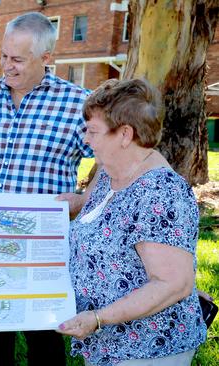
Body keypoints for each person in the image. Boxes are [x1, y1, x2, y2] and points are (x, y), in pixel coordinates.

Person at [0, 12, 93, 365]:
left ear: (46, 59)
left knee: (44, 336)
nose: (6, 67)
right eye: (3, 57)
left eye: (17, 59)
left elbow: (109, 156)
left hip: (42, 241)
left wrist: (85, 196)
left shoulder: (79, 103)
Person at [57, 78, 207, 365]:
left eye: (93, 131)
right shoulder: (109, 174)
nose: (85, 140)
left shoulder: (160, 192)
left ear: (125, 135)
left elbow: (173, 284)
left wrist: (99, 318)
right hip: (107, 344)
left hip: (147, 349)